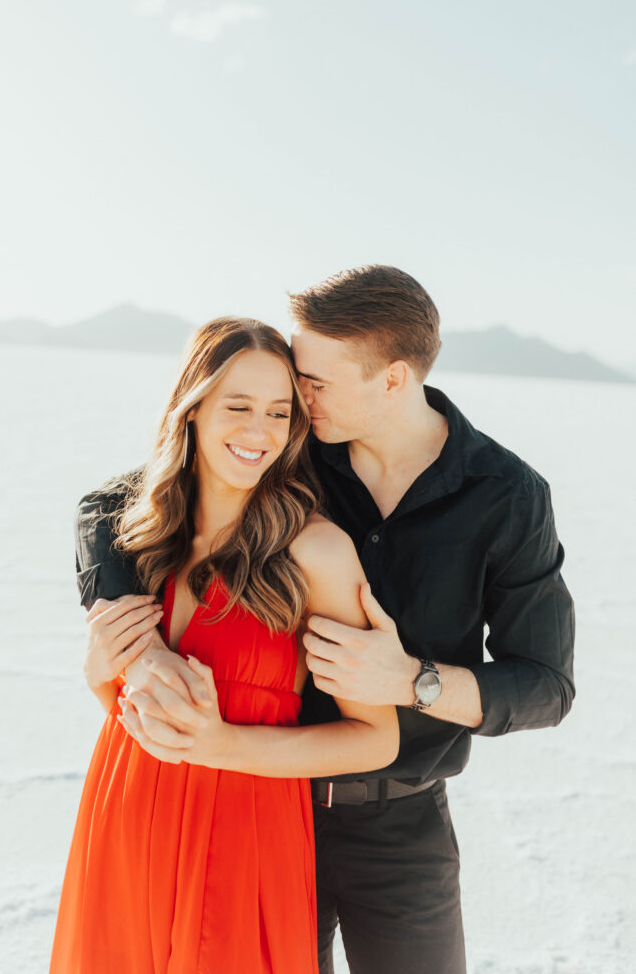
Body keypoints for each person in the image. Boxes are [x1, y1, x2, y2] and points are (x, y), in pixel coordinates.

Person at [75, 266, 576, 974]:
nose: (295, 399)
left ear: (393, 380)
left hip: (397, 821)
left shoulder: (506, 496)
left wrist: (413, 681)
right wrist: (136, 638)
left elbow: (545, 685)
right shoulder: (287, 445)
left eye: (313, 382)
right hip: (258, 806)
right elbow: (109, 505)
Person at [49, 317, 399, 974]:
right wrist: (101, 671)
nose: (259, 432)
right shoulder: (143, 541)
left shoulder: (315, 552)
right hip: (122, 816)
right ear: (193, 407)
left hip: (243, 840)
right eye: (238, 406)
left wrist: (224, 745)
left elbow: (375, 737)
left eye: (278, 412)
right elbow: (135, 706)